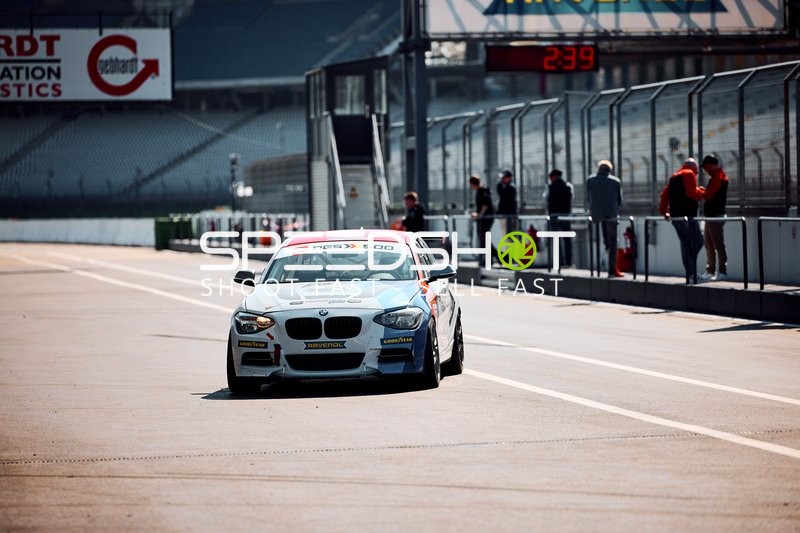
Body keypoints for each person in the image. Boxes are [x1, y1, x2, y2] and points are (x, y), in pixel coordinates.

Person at [659, 157, 706, 284]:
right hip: (688, 217)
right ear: (692, 167)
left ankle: (691, 272)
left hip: (676, 217)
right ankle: (691, 272)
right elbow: (692, 193)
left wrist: (664, 211)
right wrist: (702, 192)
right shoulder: (689, 174)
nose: (697, 171)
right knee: (698, 241)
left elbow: (664, 195)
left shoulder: (674, 176)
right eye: (696, 168)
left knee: (686, 243)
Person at [586, 160, 623, 277]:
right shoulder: (616, 181)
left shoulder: (590, 180)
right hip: (611, 214)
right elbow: (619, 201)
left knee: (602, 222)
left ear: (599, 169)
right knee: (613, 241)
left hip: (596, 214)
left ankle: (606, 244)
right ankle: (612, 269)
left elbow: (588, 197)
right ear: (610, 170)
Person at [700, 154, 729, 280]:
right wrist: (703, 191)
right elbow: (709, 193)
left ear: (711, 165)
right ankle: (710, 270)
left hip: (715, 216)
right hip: (711, 216)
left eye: (705, 166)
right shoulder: (717, 176)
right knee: (709, 244)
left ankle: (722, 271)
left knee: (717, 244)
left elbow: (708, 195)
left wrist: (699, 191)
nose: (705, 170)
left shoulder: (718, 177)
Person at [544, 168, 574, 267]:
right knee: (567, 240)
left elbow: (546, 199)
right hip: (565, 216)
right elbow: (571, 198)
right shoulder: (568, 186)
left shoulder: (550, 187)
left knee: (556, 240)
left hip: (554, 216)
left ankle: (559, 263)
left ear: (553, 177)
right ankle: (568, 262)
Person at [469, 174, 497, 262]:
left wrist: (479, 215)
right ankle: (490, 258)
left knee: (484, 238)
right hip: (484, 219)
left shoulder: (482, 192)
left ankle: (495, 257)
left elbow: (485, 205)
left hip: (486, 219)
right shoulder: (481, 191)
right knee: (484, 239)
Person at [496, 169, 518, 233]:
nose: (502, 179)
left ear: (509, 178)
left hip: (511, 213)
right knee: (504, 231)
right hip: (503, 213)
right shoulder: (500, 186)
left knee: (512, 231)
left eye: (505, 178)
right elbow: (501, 193)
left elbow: (507, 197)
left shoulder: (512, 187)